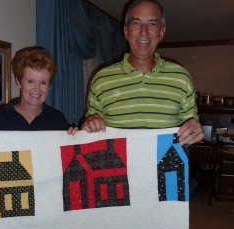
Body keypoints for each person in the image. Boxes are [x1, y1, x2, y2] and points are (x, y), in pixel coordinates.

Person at [81, 0, 204, 145]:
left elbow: (191, 127)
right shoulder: (101, 79)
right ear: (126, 31)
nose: (143, 31)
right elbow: (90, 132)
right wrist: (88, 126)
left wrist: (194, 130)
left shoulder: (181, 78)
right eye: (136, 23)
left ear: (161, 32)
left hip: (165, 167)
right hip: (119, 167)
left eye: (152, 24)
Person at [0, 46, 77, 134]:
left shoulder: (58, 120)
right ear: (18, 82)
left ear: (49, 85)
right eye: (31, 81)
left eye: (43, 83)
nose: (37, 89)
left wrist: (76, 136)